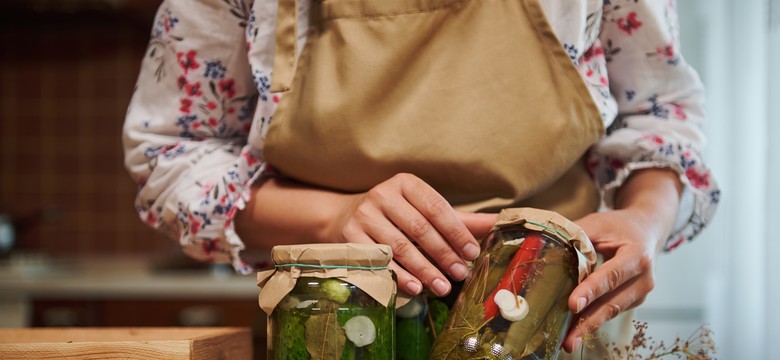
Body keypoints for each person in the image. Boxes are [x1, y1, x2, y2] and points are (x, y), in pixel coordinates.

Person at [123, 0, 719, 355]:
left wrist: (643, 218)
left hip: (547, 325)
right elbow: (171, 156)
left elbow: (661, 121)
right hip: (331, 328)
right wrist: (332, 217)